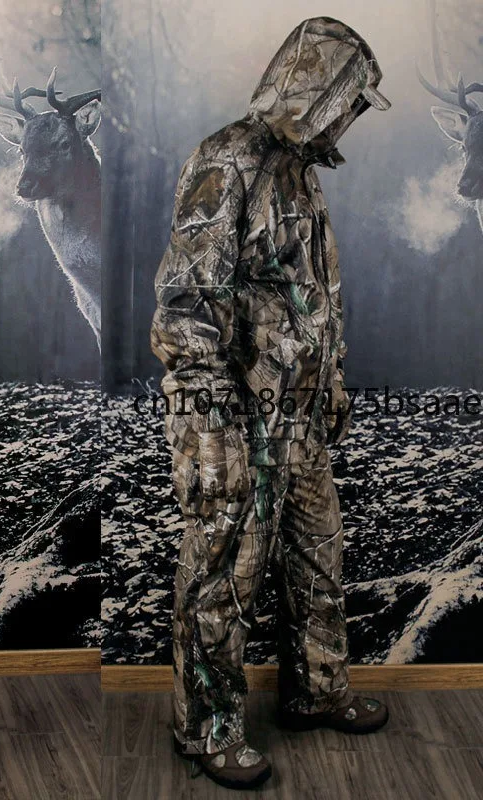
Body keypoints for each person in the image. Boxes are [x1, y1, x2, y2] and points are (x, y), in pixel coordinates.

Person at [151, 17, 391, 791]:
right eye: (349, 99)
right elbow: (188, 299)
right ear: (315, 88)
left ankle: (317, 690)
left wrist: (333, 378)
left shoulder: (298, 173)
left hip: (299, 415)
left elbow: (314, 294)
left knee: (317, 554)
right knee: (225, 570)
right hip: (240, 417)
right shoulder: (228, 162)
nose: (351, 117)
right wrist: (207, 421)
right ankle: (208, 728)